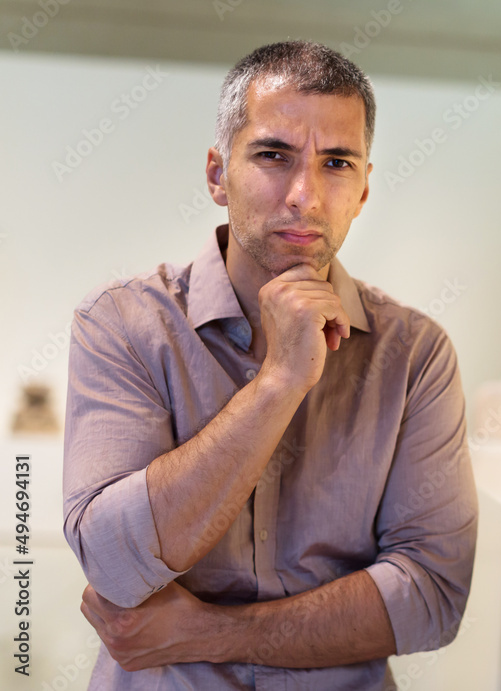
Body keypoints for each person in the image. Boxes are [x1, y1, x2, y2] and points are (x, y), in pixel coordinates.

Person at [62, 40, 478, 690]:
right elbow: (113, 565)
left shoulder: (415, 354)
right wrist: (278, 382)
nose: (305, 195)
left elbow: (431, 597)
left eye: (335, 162)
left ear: (364, 187)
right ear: (216, 174)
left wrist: (206, 631)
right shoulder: (122, 324)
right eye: (273, 155)